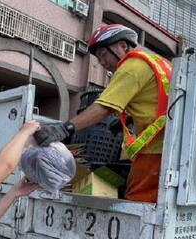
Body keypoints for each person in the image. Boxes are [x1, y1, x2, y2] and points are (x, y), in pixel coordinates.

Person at [34, 24, 172, 203]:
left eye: (104, 55)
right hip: (168, 147)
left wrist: (65, 128)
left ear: (123, 46)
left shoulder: (131, 66)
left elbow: (103, 107)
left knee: (139, 204)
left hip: (154, 152)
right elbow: (157, 100)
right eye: (99, 59)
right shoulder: (156, 63)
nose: (102, 62)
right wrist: (129, 118)